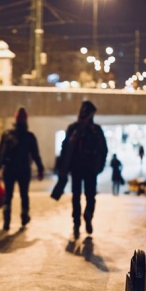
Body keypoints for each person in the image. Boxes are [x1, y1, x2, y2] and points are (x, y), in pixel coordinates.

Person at [57, 100, 108, 239]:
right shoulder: (96, 130)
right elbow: (104, 150)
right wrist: (100, 166)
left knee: (76, 196)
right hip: (91, 169)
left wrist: (62, 167)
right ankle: (89, 215)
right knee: (90, 195)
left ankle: (76, 223)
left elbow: (64, 148)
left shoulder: (73, 128)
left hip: (76, 169)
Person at [0, 107, 44, 230]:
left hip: (9, 169)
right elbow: (35, 154)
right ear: (25, 121)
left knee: (8, 195)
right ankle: (24, 217)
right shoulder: (29, 136)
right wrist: (40, 168)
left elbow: (1, 152)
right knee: (24, 194)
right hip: (24, 169)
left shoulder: (7, 135)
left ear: (15, 120)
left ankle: (6, 221)